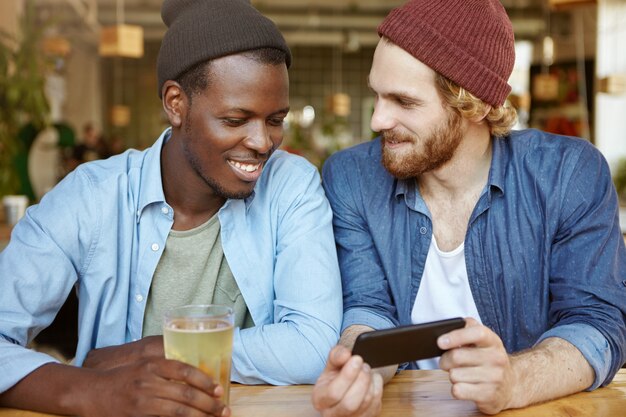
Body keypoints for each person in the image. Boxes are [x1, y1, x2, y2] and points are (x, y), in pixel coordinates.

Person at [0, 1, 342, 416]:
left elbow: (312, 343)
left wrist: (156, 350)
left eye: (275, 119)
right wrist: (94, 392)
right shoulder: (91, 196)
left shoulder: (291, 186)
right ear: (176, 104)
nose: (263, 142)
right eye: (236, 119)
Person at [312, 0, 626, 416]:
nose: (377, 120)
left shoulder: (567, 174)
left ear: (472, 104)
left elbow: (598, 324)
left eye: (403, 102)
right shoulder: (351, 177)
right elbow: (369, 306)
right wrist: (360, 367)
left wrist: (515, 379)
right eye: (377, 95)